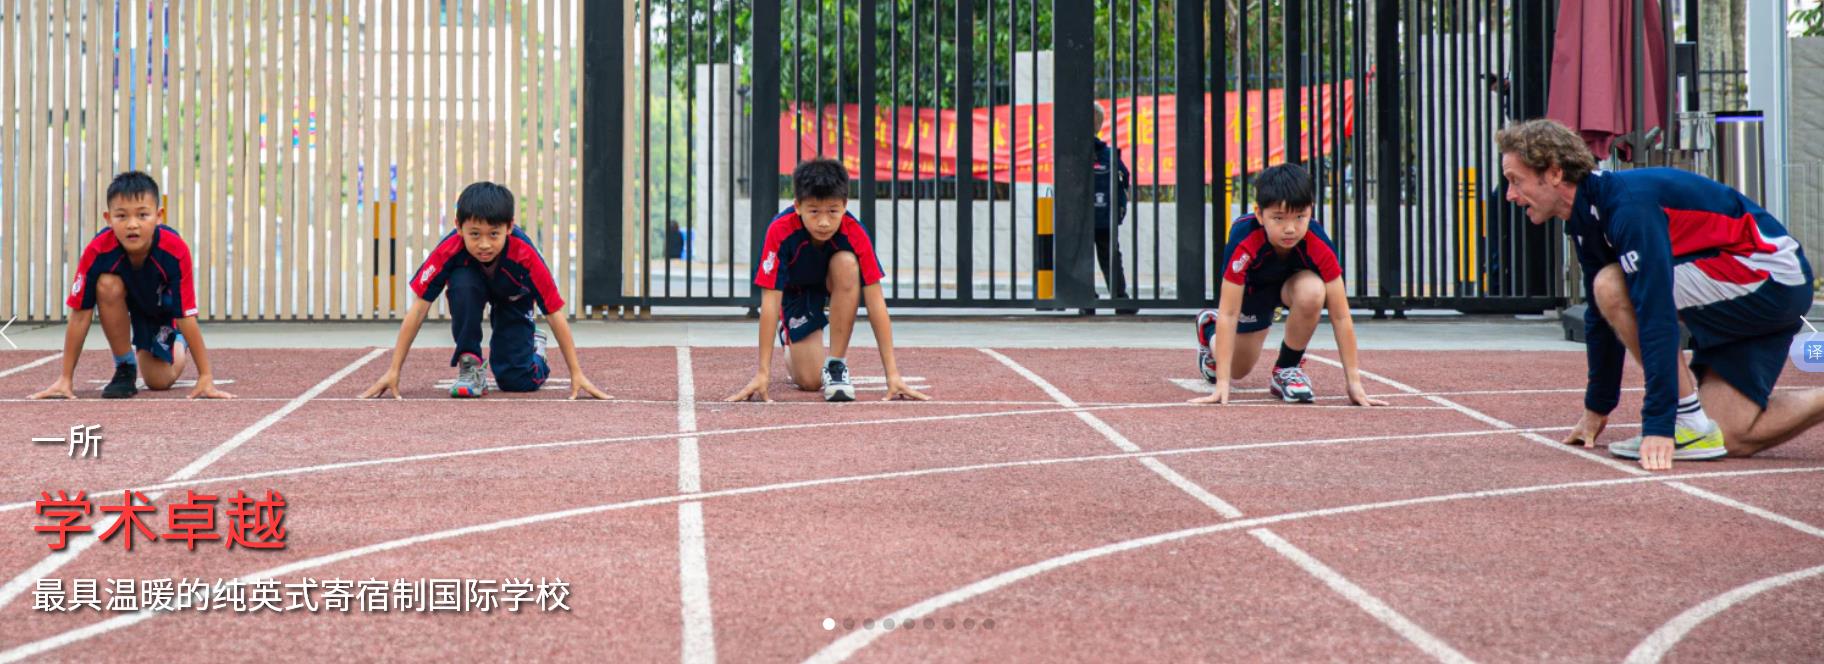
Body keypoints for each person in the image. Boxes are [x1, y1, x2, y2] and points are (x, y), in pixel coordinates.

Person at [1498, 118, 1821, 471]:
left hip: (1770, 276)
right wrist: (1597, 407)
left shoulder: (1627, 207)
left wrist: (1660, 424)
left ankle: (1685, 419)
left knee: (1613, 285)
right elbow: (1598, 319)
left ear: (1555, 173)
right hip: (1748, 286)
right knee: (1728, 436)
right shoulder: (1585, 218)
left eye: (1516, 181)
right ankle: (1694, 423)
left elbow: (1654, 312)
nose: (1511, 195)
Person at [360, 181, 611, 400]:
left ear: (509, 227)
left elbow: (555, 313)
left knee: (515, 381)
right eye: (475, 234)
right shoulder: (449, 250)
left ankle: (535, 351)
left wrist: (576, 374)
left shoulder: (526, 256)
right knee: (463, 282)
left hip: (513, 297)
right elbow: (419, 308)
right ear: (459, 227)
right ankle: (470, 365)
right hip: (472, 287)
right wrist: (394, 370)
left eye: (494, 234)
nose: (484, 244)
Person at [725, 158, 929, 403]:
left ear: (844, 205)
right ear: (797, 206)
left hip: (834, 284)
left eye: (832, 211)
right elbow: (769, 302)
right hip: (796, 292)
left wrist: (893, 375)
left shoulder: (854, 231)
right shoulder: (779, 230)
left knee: (847, 263)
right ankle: (789, 332)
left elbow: (876, 303)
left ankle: (836, 365)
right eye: (814, 211)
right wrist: (763, 372)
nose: (824, 222)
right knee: (810, 381)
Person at [1189, 163, 1385, 408]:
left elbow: (1341, 315)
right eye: (1278, 218)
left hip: (1293, 286)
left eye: (1299, 217)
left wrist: (1354, 382)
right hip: (1255, 292)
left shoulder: (1318, 242)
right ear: (1260, 214)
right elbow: (1228, 312)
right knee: (1238, 369)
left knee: (1314, 291)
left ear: (1311, 211)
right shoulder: (1244, 239)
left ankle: (1287, 368)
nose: (1290, 228)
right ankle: (1209, 330)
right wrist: (1223, 383)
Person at [1087, 102, 1137, 315]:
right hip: (1106, 216)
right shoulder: (1109, 154)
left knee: (1081, 258)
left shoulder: (1075, 152)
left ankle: (1085, 297)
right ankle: (1119, 298)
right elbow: (1125, 179)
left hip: (1081, 219)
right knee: (1111, 256)